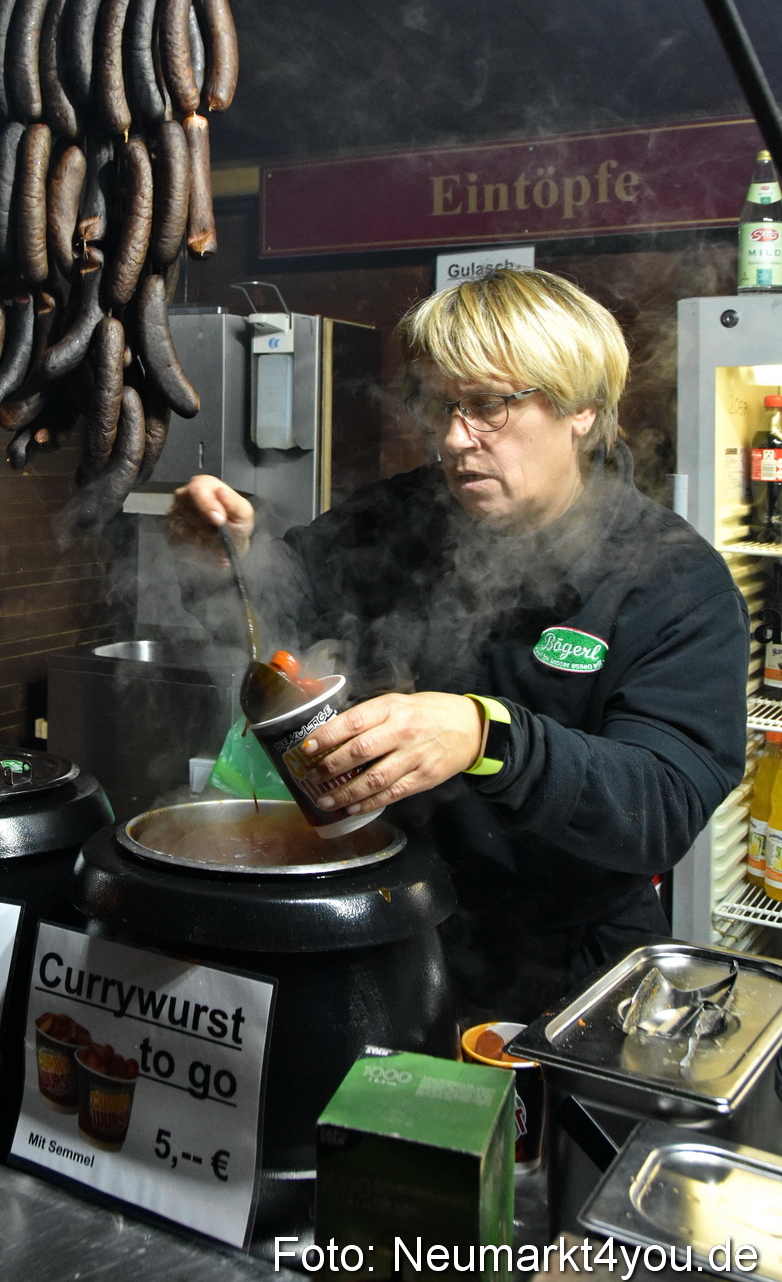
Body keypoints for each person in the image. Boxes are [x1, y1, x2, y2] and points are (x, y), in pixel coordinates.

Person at [167, 267, 748, 1020]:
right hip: (384, 927)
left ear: (580, 408)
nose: (451, 438)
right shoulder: (398, 516)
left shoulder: (669, 581)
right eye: (440, 405)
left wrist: (486, 733)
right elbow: (282, 615)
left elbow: (662, 800)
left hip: (560, 973)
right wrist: (230, 564)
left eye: (487, 407)